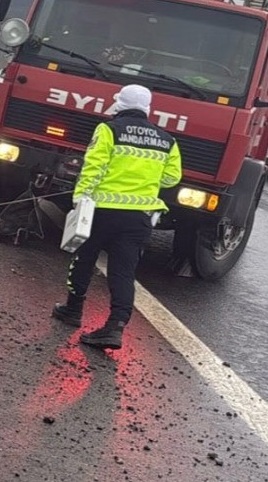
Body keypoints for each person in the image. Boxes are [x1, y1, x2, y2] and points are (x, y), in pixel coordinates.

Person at [53, 84, 182, 349]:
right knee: (123, 272)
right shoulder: (167, 140)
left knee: (84, 259)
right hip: (139, 217)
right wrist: (143, 178)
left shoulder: (109, 130)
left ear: (119, 104)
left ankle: (73, 310)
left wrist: (80, 198)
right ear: (148, 108)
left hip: (102, 211)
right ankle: (115, 328)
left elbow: (93, 166)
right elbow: (172, 178)